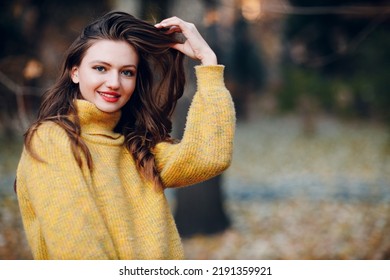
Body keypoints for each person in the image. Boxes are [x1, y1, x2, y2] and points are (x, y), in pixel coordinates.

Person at [15, 11, 235, 260]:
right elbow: (78, 249)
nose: (114, 83)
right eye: (101, 68)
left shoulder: (135, 146)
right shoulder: (51, 139)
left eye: (127, 72)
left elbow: (210, 156)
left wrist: (208, 61)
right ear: (75, 73)